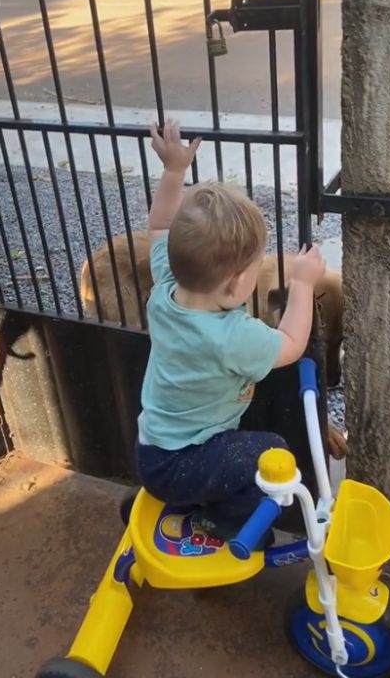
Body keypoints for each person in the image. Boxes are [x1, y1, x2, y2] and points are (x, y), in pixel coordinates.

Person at [134, 119, 326, 543]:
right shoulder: (232, 335)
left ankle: (194, 495)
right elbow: (292, 344)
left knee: (235, 448)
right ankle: (229, 522)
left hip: (152, 448)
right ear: (236, 284)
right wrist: (304, 284)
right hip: (181, 463)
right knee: (271, 449)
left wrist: (173, 172)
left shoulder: (167, 286)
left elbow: (160, 229)